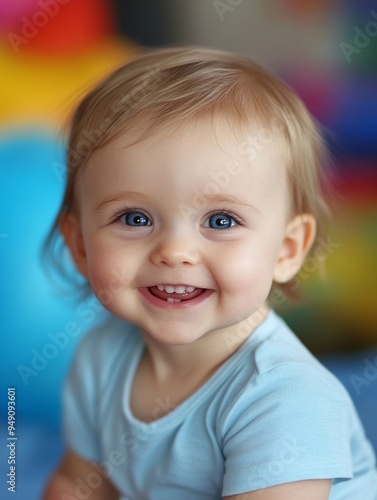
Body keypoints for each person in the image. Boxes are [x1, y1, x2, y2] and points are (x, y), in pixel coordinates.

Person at [44, 47, 377, 499]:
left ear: (286, 249)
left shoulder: (285, 398)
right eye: (135, 218)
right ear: (81, 246)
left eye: (220, 221)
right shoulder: (99, 357)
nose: (175, 252)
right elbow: (80, 483)